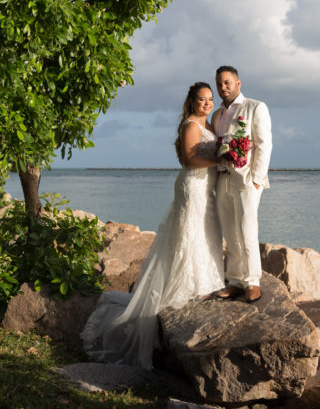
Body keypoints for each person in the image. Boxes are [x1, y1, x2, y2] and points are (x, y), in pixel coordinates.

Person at [81, 82, 225, 369]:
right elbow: (189, 159)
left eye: (210, 99)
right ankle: (179, 297)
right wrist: (220, 157)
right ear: (193, 101)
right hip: (192, 189)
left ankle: (204, 286)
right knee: (187, 238)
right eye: (202, 99)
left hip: (205, 190)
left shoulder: (207, 124)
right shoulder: (191, 125)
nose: (208, 103)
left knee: (204, 237)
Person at [211, 66, 272, 303]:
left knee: (247, 229)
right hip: (223, 178)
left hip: (247, 180)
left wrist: (256, 179)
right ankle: (235, 281)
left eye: (227, 82)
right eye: (219, 84)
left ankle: (253, 282)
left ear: (238, 83)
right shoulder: (217, 115)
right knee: (231, 231)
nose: (222, 87)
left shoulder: (256, 107)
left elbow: (264, 144)